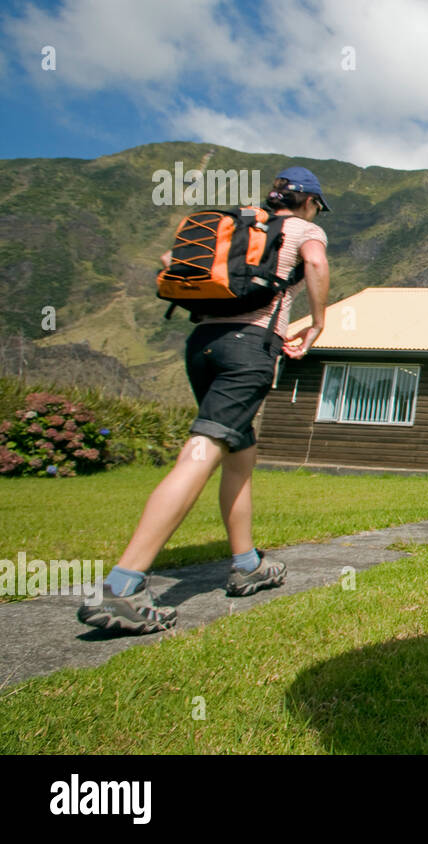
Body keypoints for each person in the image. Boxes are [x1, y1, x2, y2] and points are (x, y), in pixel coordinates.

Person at [78, 166, 332, 634]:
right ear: (310, 202)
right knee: (203, 451)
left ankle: (247, 563)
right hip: (249, 347)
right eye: (316, 205)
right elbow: (315, 264)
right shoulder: (302, 229)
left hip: (202, 345)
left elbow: (168, 257)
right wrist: (317, 323)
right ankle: (122, 586)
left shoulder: (236, 222)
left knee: (240, 454)